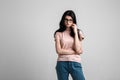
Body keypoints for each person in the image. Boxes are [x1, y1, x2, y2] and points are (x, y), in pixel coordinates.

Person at [54, 10, 85, 80]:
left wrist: (75, 33)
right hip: (62, 63)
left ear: (73, 21)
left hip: (75, 62)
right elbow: (58, 51)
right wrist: (75, 52)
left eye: (70, 20)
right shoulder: (58, 33)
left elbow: (78, 49)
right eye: (66, 20)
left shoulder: (78, 32)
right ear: (63, 20)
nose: (68, 22)